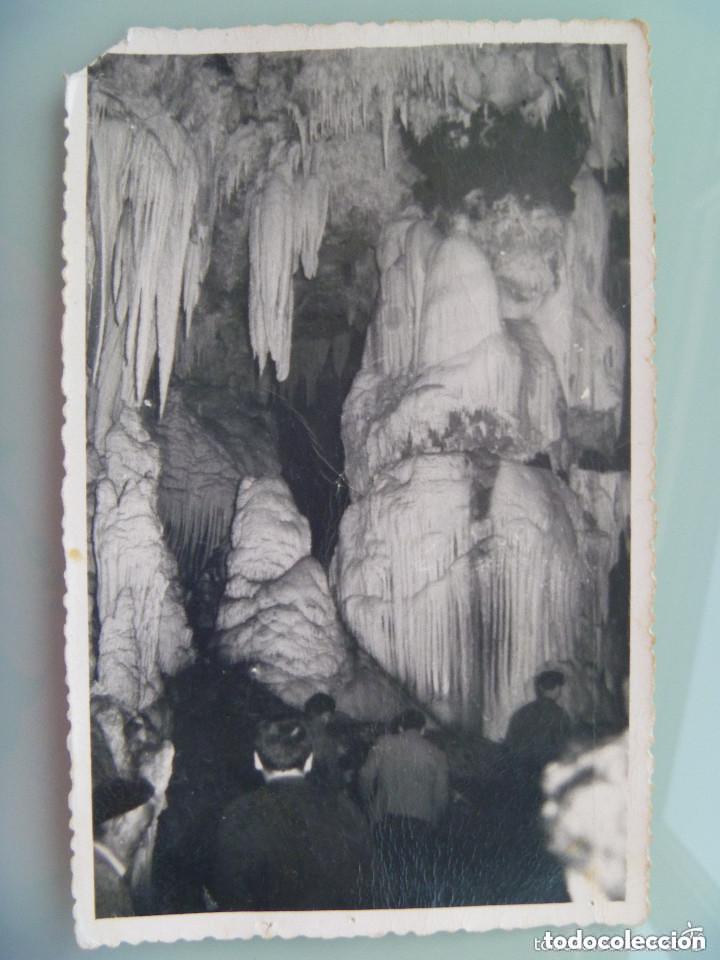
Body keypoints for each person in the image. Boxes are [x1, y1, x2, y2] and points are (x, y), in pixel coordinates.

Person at [209, 716, 371, 911]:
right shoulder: (345, 807)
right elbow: (363, 875)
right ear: (309, 760)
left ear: (257, 760)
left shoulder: (239, 812)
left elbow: (230, 888)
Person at [359, 709, 449, 907]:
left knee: (386, 871)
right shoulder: (437, 754)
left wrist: (368, 805)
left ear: (399, 727)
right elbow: (441, 796)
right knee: (415, 872)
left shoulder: (384, 744)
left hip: (386, 817)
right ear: (423, 729)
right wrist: (436, 820)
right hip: (421, 821)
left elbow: (365, 777)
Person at [93, 777, 154, 917]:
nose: (145, 842)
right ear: (119, 825)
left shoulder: (101, 873)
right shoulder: (106, 884)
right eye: (143, 830)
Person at [505, 670, 573, 775]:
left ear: (540, 688)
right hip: (546, 770)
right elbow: (565, 744)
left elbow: (510, 742)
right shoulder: (559, 714)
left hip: (521, 770)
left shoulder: (522, 712)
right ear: (558, 689)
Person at [303, 692, 344, 791]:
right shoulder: (326, 740)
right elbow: (333, 774)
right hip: (315, 791)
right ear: (326, 715)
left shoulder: (297, 728)